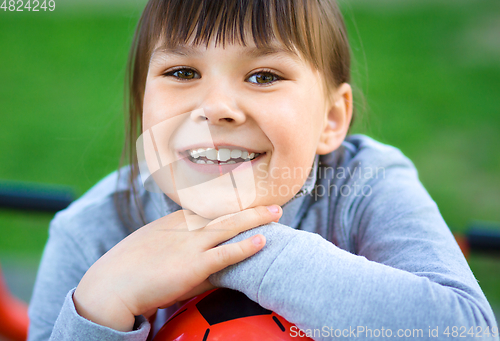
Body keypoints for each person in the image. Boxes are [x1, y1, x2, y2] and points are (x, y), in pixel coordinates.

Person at [28, 0, 499, 340]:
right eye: (182, 73)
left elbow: (466, 331)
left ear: (332, 120)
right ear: (143, 105)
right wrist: (101, 305)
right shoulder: (89, 231)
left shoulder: (364, 185)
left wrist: (239, 246)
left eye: (264, 76)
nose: (215, 108)